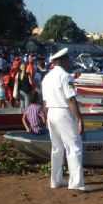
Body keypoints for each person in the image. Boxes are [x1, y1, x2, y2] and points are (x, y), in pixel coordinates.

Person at [42, 47, 86, 191]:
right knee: (74, 148)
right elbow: (71, 99)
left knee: (56, 148)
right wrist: (79, 119)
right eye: (68, 59)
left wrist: (44, 115)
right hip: (63, 112)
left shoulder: (46, 77)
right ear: (62, 61)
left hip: (51, 112)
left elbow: (44, 101)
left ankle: (55, 181)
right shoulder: (65, 76)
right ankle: (76, 183)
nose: (70, 62)